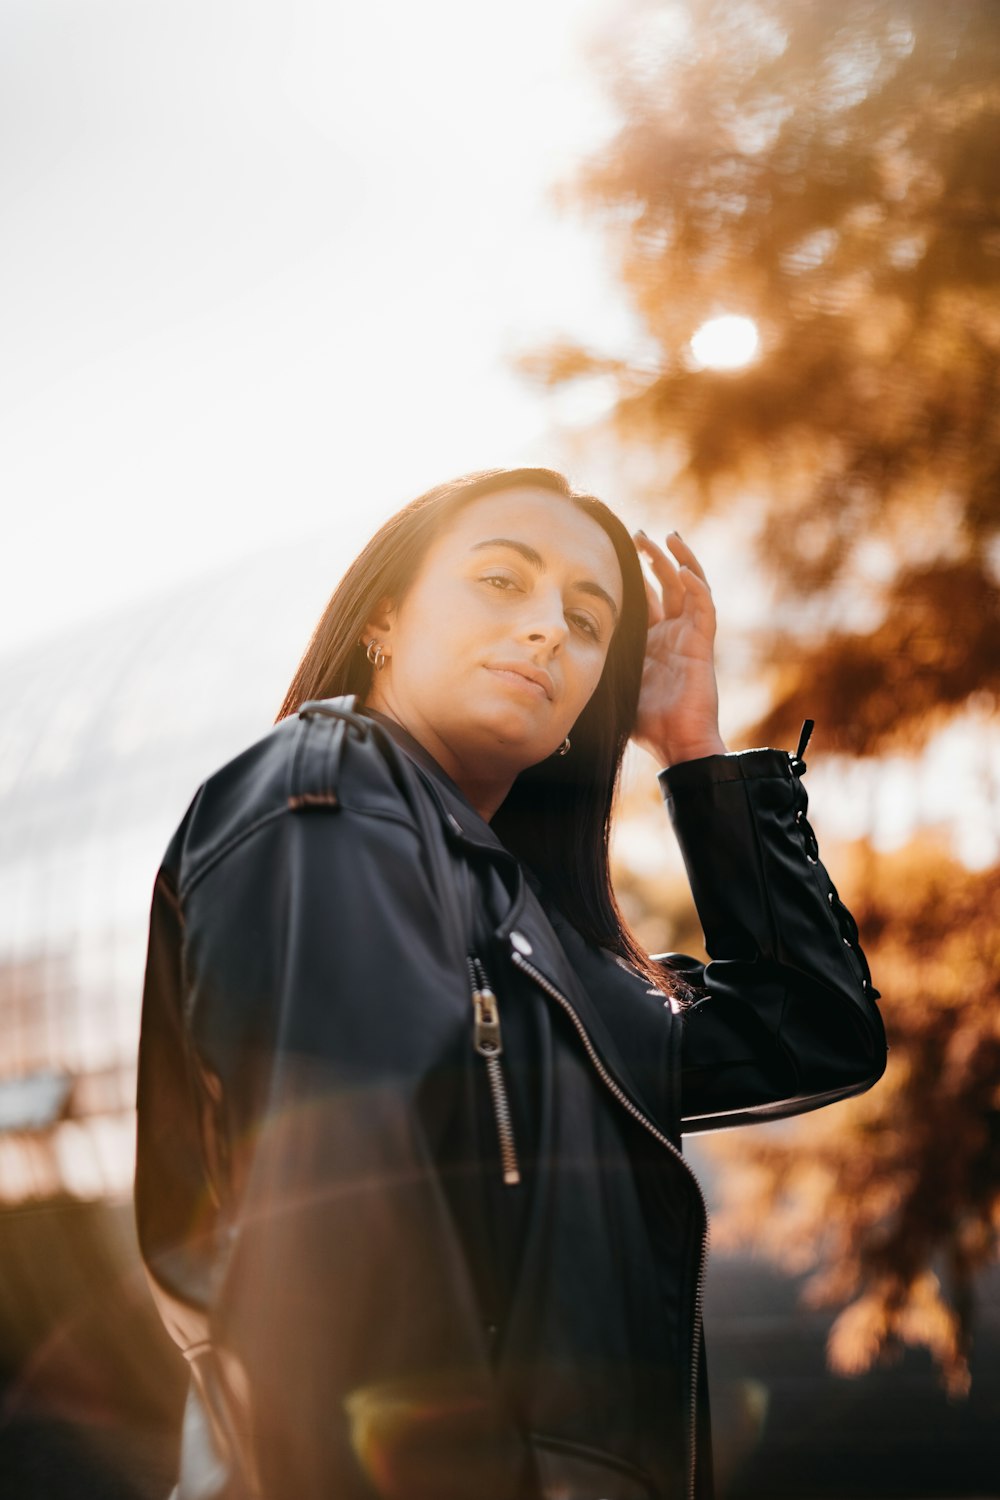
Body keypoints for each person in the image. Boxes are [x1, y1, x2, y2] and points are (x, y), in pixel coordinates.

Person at [135, 466, 886, 1500]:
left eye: (586, 623)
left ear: (587, 709)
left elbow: (811, 1032)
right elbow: (340, 1254)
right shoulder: (326, 794)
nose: (546, 632)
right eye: (501, 583)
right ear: (384, 621)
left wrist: (695, 750)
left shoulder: (552, 953)